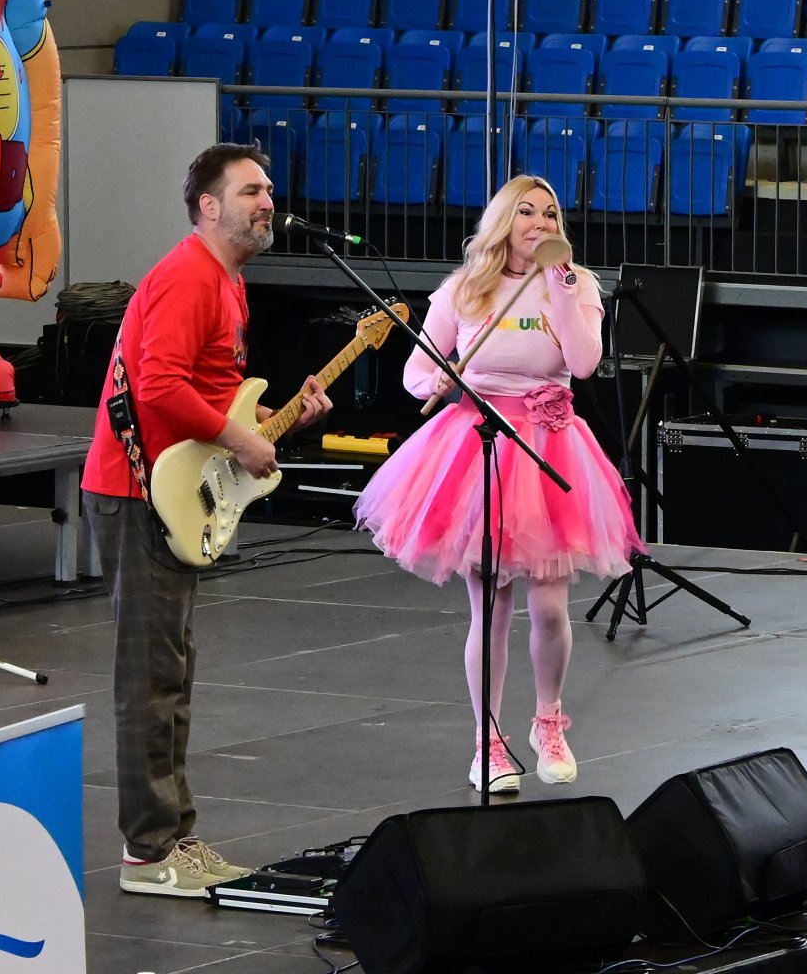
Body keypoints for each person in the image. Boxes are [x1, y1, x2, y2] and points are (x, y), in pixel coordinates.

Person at [80, 143, 331, 897]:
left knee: (169, 672)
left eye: (271, 188)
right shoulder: (191, 276)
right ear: (208, 207)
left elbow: (206, 395)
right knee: (151, 676)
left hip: (163, 491)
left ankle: (170, 837)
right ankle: (150, 853)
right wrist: (240, 439)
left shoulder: (226, 283)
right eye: (252, 190)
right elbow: (157, 387)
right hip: (137, 492)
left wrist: (273, 421)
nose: (269, 201)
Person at [355, 176, 640, 792]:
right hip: (478, 443)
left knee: (550, 604)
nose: (540, 221)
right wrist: (442, 381)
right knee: (491, 605)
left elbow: (585, 362)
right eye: (527, 211)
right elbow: (417, 371)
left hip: (547, 444)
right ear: (504, 221)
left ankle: (548, 721)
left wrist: (560, 283)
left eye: (551, 212)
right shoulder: (465, 289)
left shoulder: (577, 283)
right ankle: (487, 744)